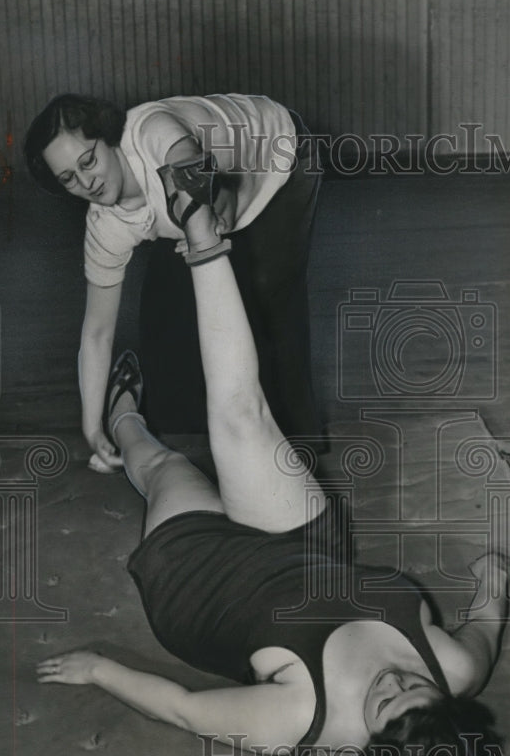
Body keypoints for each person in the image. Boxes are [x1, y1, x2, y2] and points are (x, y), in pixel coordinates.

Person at [37, 174, 510, 756]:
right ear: (451, 706)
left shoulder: (295, 716)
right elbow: (485, 630)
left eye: (385, 701)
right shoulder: (458, 669)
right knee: (240, 417)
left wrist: (101, 671)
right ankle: (201, 239)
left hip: (204, 581)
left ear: (369, 748)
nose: (395, 678)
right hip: (303, 546)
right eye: (416, 685)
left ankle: (121, 419)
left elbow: (185, 710)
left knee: (162, 467)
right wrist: (492, 586)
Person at [24, 91, 323, 472]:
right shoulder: (105, 225)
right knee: (164, 305)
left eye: (88, 160)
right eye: (69, 178)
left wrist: (212, 222)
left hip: (282, 152)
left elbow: (211, 183)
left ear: (108, 136)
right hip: (215, 189)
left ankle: (300, 450)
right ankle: (193, 435)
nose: (87, 182)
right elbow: (97, 332)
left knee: (268, 297)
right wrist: (91, 424)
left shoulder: (153, 133)